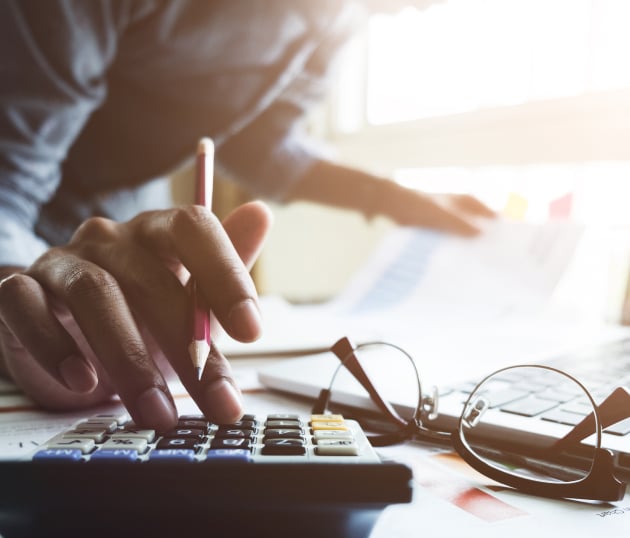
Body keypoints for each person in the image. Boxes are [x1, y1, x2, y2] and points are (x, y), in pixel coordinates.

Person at [0, 0, 494, 432]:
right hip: (33, 250)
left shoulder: (343, 15)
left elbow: (262, 142)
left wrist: (389, 197)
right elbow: (9, 174)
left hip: (126, 237)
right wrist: (17, 302)